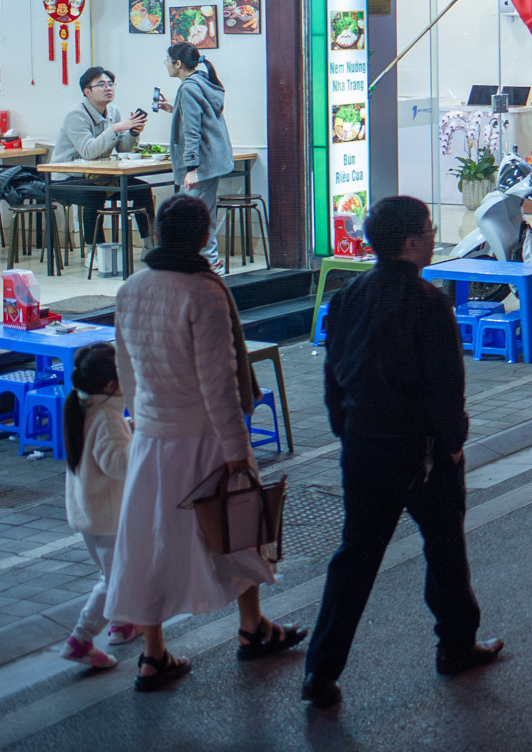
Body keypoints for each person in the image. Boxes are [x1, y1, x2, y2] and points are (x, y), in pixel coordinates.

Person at [302, 196, 502, 709]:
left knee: (355, 558)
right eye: (429, 230)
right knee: (444, 548)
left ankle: (320, 672)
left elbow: (332, 378)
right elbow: (445, 389)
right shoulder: (430, 303)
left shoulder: (347, 298)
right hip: (421, 452)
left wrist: (346, 431)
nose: (434, 237)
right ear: (412, 241)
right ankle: (456, 645)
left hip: (364, 448)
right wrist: (453, 446)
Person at [106, 195, 305, 692]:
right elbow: (220, 382)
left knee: (150, 544)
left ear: (156, 233)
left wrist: (137, 418)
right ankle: (251, 627)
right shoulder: (205, 293)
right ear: (203, 236)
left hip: (153, 438)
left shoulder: (130, 289)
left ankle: (154, 653)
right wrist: (238, 449)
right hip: (204, 438)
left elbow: (126, 368)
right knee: (238, 529)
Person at [61, 342, 138, 669]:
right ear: (110, 385)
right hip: (108, 519)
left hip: (90, 514)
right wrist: (142, 438)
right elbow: (119, 464)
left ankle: (121, 626)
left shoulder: (83, 406)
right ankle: (80, 639)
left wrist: (128, 432)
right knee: (114, 580)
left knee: (112, 574)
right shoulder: (107, 418)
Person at [51, 66, 153, 250]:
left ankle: (150, 246)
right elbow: (88, 152)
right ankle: (95, 252)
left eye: (110, 84)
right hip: (68, 179)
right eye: (101, 84)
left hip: (99, 178)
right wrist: (114, 129)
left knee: (142, 189)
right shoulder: (76, 115)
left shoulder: (113, 111)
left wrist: (132, 132)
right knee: (93, 195)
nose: (108, 88)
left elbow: (123, 148)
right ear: (87, 92)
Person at [160, 43, 233, 275]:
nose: (166, 64)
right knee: (202, 213)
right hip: (213, 160)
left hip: (200, 164)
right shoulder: (202, 82)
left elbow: (193, 131)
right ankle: (208, 262)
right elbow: (203, 116)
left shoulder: (188, 88)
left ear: (178, 64)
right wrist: (175, 109)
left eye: (168, 59)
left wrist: (191, 168)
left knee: (189, 215)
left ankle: (208, 264)